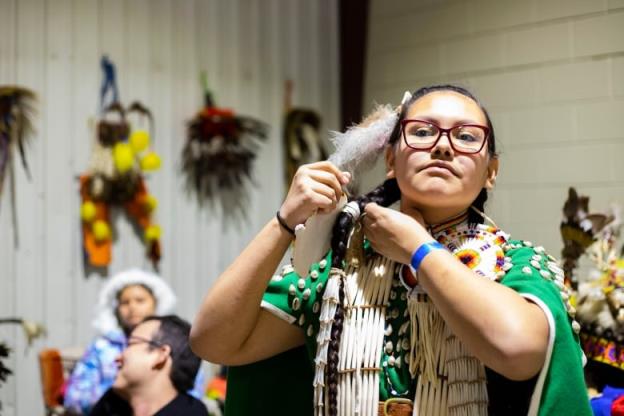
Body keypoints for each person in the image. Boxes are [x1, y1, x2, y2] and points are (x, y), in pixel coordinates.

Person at [190, 85, 592, 415]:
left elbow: (517, 350)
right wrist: (283, 222)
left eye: (467, 137)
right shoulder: (339, 265)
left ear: (491, 172)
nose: (443, 147)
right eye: (422, 132)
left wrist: (419, 248)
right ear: (390, 159)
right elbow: (216, 342)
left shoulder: (513, 262)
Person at [64, 269, 205, 414]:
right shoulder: (101, 347)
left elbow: (190, 389)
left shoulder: (178, 341)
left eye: (140, 300)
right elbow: (76, 396)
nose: (132, 307)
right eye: (125, 302)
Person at [91, 315, 208, 416]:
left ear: (160, 355)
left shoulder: (190, 412)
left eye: (131, 344)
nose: (117, 357)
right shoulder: (111, 405)